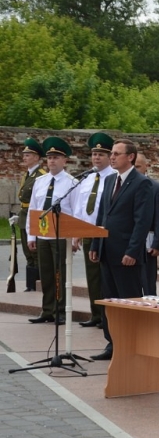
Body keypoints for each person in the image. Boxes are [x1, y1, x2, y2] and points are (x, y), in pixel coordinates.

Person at [89, 140, 154, 361]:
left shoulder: (141, 183)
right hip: (107, 251)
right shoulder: (108, 180)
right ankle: (112, 343)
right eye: (112, 154)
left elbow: (142, 222)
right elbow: (102, 216)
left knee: (129, 301)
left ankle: (133, 343)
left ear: (131, 157)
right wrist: (96, 244)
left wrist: (133, 251)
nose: (112, 157)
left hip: (127, 254)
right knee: (110, 301)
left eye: (117, 153)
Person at [25, 137, 79, 324]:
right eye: (49, 157)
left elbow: (75, 211)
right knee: (46, 274)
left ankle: (60, 311)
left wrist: (74, 238)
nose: (52, 161)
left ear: (65, 161)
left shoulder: (71, 183)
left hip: (61, 235)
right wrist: (32, 235)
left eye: (56, 157)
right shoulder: (40, 181)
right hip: (42, 234)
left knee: (60, 274)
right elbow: (33, 209)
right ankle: (47, 310)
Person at [71, 132, 116, 327]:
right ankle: (96, 314)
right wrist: (76, 232)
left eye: (101, 154)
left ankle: (108, 316)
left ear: (109, 157)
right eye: (94, 154)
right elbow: (80, 207)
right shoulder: (88, 178)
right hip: (88, 231)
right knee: (92, 276)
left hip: (106, 233)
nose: (96, 158)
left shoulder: (114, 178)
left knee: (106, 277)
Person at [17, 138, 47, 292]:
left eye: (28, 155)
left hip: (34, 214)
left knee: (35, 252)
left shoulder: (41, 175)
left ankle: (38, 284)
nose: (24, 157)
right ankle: (30, 285)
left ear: (36, 157)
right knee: (27, 252)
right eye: (24, 154)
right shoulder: (27, 174)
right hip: (24, 215)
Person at [134, 153, 159, 296]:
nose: (135, 170)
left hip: (148, 243)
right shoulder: (121, 186)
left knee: (147, 283)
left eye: (138, 166)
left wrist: (158, 243)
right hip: (126, 241)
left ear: (146, 167)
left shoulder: (156, 188)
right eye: (132, 167)